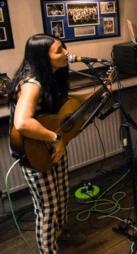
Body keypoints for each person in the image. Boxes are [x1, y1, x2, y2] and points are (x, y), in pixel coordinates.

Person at [8, 34, 92, 253]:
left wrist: (99, 92)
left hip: (52, 144)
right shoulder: (32, 84)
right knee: (48, 209)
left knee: (62, 196)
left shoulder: (52, 77)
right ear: (42, 58)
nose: (66, 53)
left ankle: (60, 237)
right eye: (58, 51)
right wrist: (56, 139)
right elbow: (22, 122)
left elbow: (62, 104)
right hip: (34, 149)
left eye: (64, 48)